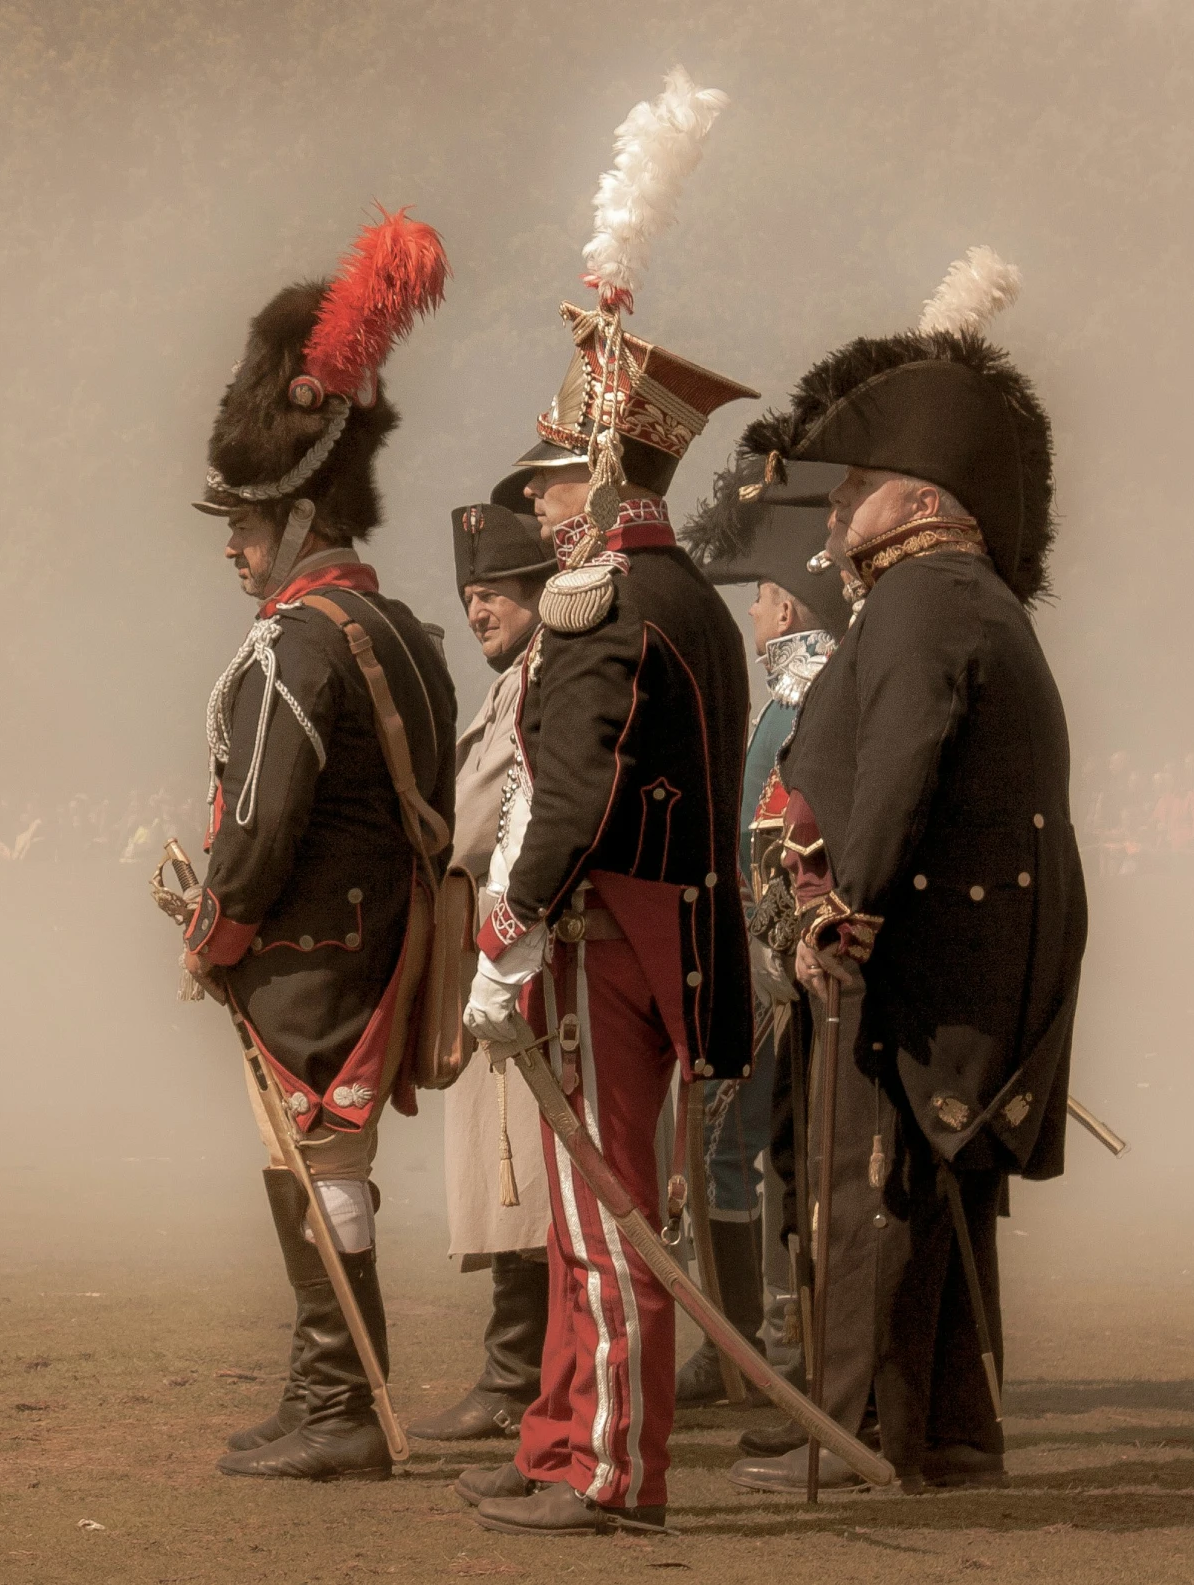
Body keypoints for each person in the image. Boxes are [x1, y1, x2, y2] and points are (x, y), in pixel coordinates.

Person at [725, 273, 1087, 1494]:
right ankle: (954, 1436)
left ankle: (858, 1436)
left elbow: (900, 769)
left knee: (867, 1194)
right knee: (943, 1196)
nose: (830, 528)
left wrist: (839, 903)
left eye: (854, 498)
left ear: (922, 498)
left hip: (918, 946)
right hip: (974, 945)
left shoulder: (923, 601)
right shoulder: (962, 596)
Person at [456, 302, 757, 1534]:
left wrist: (508, 927)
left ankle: (613, 1468)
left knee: (602, 1209)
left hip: (604, 945)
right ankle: (560, 1437)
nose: (536, 508)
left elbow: (571, 791)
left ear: (607, 473)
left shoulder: (606, 598)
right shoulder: (685, 594)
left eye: (556, 476)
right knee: (596, 1205)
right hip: (659, 940)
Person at [173, 211, 458, 1481]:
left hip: (312, 946)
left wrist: (215, 926)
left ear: (296, 516)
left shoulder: (301, 640)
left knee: (319, 1158)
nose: (232, 543)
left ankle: (341, 1402)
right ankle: (322, 1389)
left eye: (246, 520)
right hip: (364, 934)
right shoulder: (391, 621)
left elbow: (268, 819)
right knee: (315, 1159)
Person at [672, 448, 852, 1407]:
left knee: (731, 1148)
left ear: (783, 606)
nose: (748, 614)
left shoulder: (796, 697)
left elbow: (772, 843)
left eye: (756, 599)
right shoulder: (812, 690)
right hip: (776, 963)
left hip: (769, 970)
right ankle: (764, 1340)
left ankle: (748, 1348)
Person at [408, 503, 556, 1444]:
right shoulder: (508, 686)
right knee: (508, 1174)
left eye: (494, 593)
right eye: (468, 596)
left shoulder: (539, 679)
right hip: (488, 945)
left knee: (521, 1179)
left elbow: (489, 820)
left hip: (515, 953)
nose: (477, 612)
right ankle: (515, 1368)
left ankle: (516, 1377)